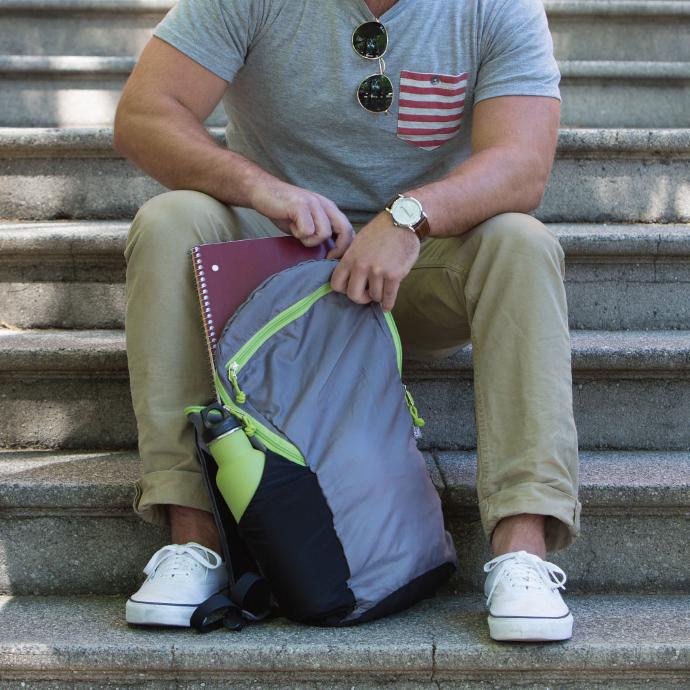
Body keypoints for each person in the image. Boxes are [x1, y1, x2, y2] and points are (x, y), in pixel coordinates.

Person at [114, 0, 580, 642]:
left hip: (416, 268)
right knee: (169, 222)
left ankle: (522, 549)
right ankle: (197, 540)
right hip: (275, 265)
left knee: (522, 243)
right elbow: (145, 113)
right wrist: (259, 189)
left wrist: (408, 217)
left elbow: (523, 163)